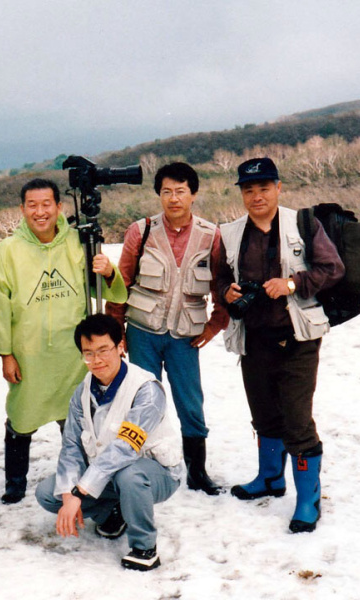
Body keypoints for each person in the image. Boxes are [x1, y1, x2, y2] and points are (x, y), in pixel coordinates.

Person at [0, 178, 128, 504]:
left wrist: (107, 272)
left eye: (47, 204)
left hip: (71, 354)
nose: (40, 211)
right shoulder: (7, 252)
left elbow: (111, 292)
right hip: (28, 354)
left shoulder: (79, 243)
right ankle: (15, 482)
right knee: (21, 417)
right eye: (32, 205)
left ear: (59, 207)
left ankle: (78, 477)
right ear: (22, 210)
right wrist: (4, 353)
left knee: (74, 419)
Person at [215, 157, 345, 533]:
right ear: (241, 193)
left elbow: (332, 268)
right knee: (264, 414)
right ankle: (270, 478)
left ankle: (308, 500)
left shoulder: (303, 224)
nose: (257, 196)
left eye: (264, 188)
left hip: (298, 339)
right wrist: (227, 289)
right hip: (253, 339)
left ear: (278, 188)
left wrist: (290, 284)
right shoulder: (231, 233)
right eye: (249, 190)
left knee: (296, 420)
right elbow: (220, 274)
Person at [106, 162, 229, 496]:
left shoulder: (211, 234)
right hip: (142, 332)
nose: (173, 198)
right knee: (139, 402)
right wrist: (116, 332)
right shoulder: (140, 230)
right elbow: (121, 283)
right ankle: (135, 466)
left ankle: (197, 472)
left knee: (191, 402)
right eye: (166, 192)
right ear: (158, 194)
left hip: (185, 337)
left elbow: (221, 286)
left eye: (181, 191)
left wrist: (214, 325)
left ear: (193, 194)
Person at [36, 314, 182, 571]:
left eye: (104, 350)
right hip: (108, 475)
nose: (97, 360)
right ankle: (113, 513)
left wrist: (81, 491)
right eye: (88, 353)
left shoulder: (145, 389)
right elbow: (71, 446)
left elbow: (125, 448)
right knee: (49, 494)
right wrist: (69, 492)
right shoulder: (81, 393)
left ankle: (144, 547)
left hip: (154, 473)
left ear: (120, 346)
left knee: (129, 475)